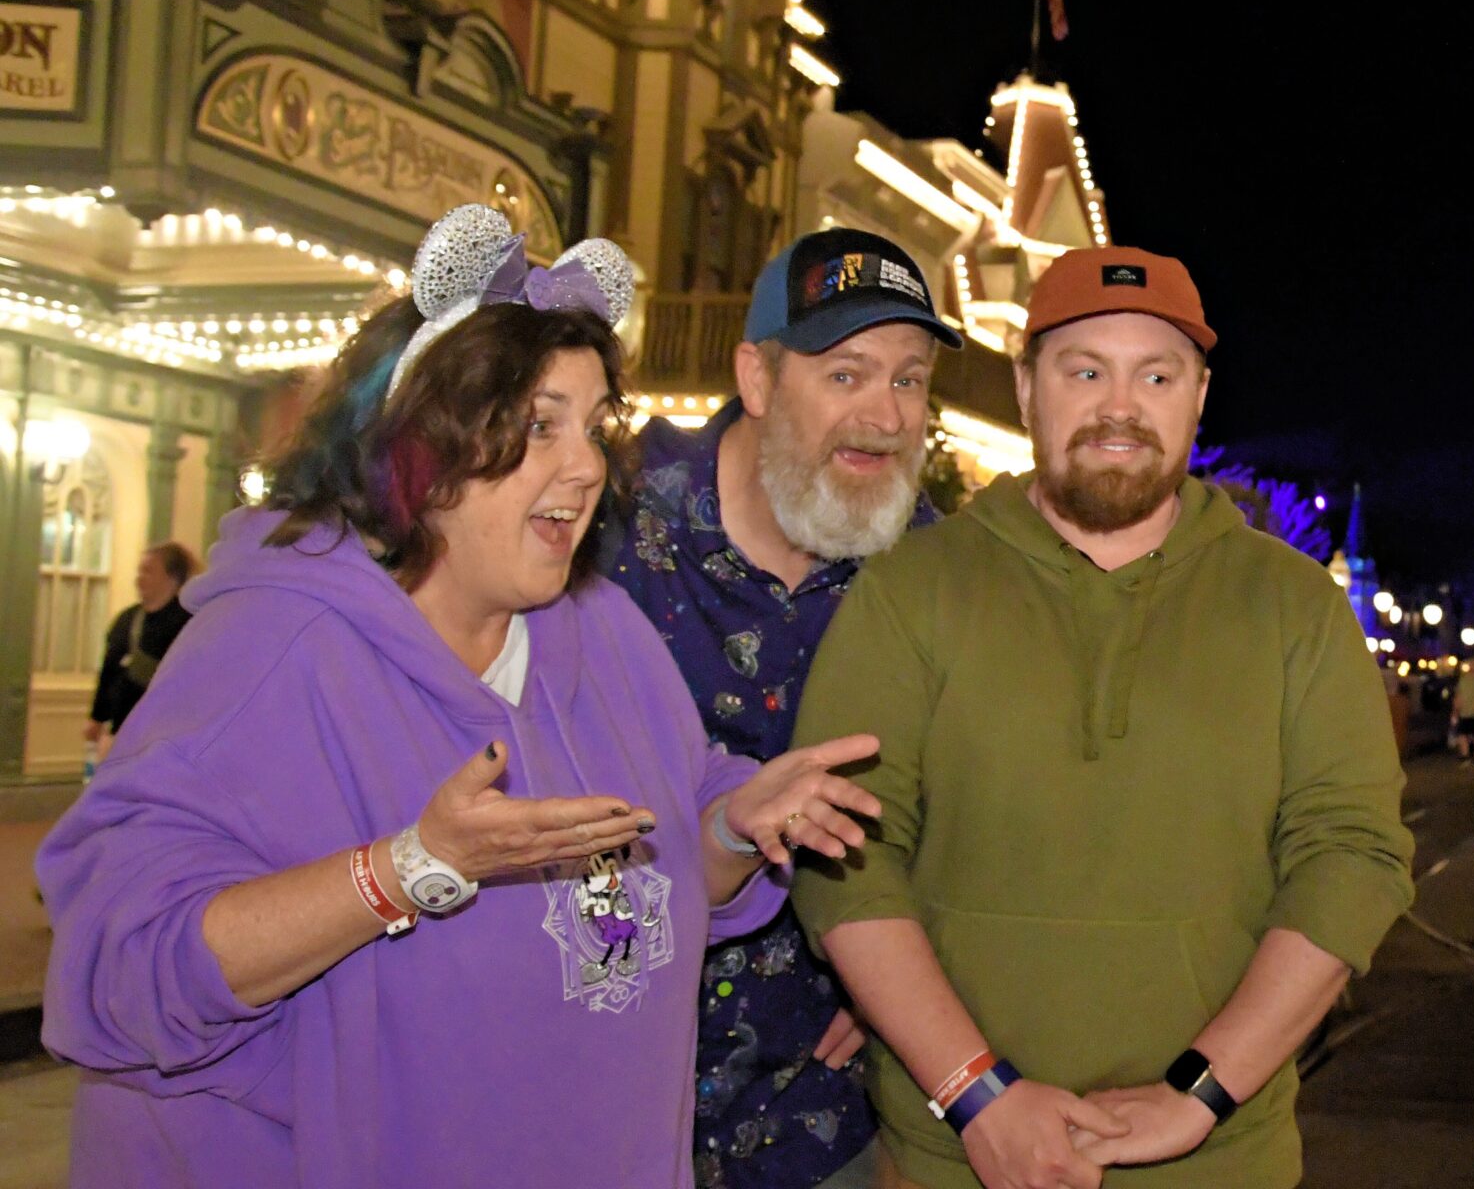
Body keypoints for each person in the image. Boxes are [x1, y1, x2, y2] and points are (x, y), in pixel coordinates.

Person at [37, 207, 881, 1188]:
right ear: (421, 448)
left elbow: (640, 892)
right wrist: (408, 869)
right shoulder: (273, 650)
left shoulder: (603, 636)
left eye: (591, 423)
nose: (583, 464)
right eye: (535, 425)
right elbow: (120, 969)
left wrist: (735, 827)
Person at [788, 246, 1414, 1189]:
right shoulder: (912, 591)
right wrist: (977, 1093)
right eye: (1084, 371)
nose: (1119, 406)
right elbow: (845, 857)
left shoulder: (1295, 607)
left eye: (1155, 375)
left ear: (1198, 397)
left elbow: (1352, 860)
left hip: (1219, 1164)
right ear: (1027, 387)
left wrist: (1198, 1094)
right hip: (953, 1157)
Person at [605, 227, 960, 1188]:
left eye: (910, 379)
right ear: (757, 380)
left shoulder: (933, 574)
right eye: (847, 375)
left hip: (827, 1122)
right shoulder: (608, 530)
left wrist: (916, 969)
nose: (886, 416)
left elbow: (983, 803)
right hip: (607, 1095)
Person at [84, 540, 199, 754]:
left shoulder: (189, 624)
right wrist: (97, 717)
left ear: (172, 578)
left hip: (162, 738)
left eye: (148, 571)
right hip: (119, 731)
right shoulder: (126, 620)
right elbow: (108, 671)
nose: (139, 578)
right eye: (140, 571)